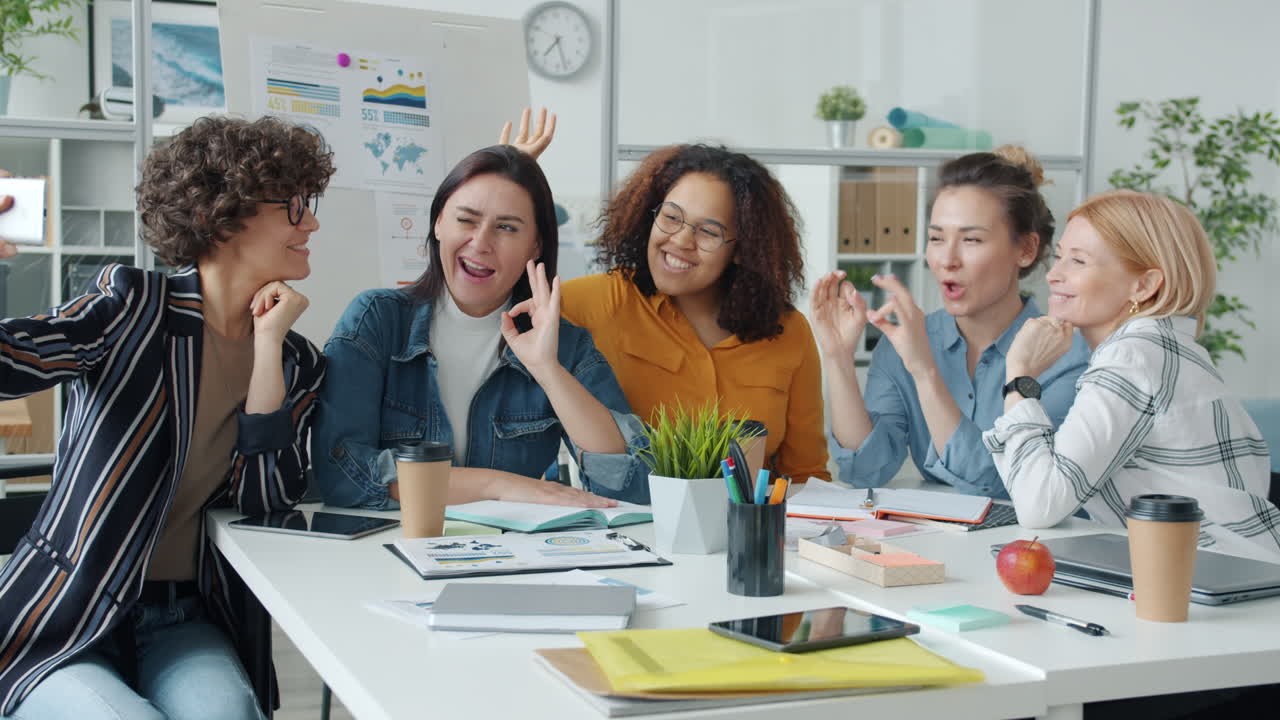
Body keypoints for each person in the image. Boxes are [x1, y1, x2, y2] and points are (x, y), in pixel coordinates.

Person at [0, 115, 331, 719]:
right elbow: (10, 362)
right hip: (66, 617)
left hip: (183, 615)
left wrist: (265, 351)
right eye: (293, 205)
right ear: (222, 215)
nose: (311, 221)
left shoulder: (295, 361)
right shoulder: (131, 309)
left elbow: (264, 502)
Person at [313, 143, 649, 508]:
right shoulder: (377, 319)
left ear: (534, 246)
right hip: (385, 552)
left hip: (509, 556)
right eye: (466, 220)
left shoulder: (563, 344)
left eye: (506, 227)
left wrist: (548, 371)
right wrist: (497, 486)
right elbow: (341, 473)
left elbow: (631, 483)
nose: (481, 242)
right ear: (439, 222)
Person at [984, 189, 1279, 560]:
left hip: (1213, 581)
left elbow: (1040, 504)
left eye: (1078, 261)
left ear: (1144, 285)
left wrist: (1020, 378)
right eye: (1059, 257)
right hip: (1232, 572)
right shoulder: (1164, 348)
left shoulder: (1132, 356)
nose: (1053, 275)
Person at [547, 139, 830, 483]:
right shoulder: (588, 303)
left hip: (749, 529)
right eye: (670, 218)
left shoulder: (789, 330)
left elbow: (806, 475)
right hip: (628, 530)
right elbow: (498, 310)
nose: (680, 240)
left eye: (709, 232)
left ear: (742, 249)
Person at [812, 147, 1090, 497]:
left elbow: (1005, 485)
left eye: (971, 239)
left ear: (1026, 249)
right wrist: (838, 356)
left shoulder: (1071, 356)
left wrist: (924, 371)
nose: (947, 259)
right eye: (936, 238)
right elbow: (867, 470)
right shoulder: (906, 339)